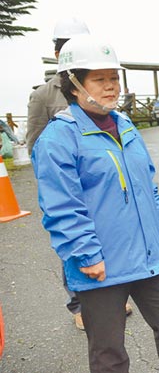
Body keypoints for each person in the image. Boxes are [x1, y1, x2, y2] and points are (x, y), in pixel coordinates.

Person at [32, 35, 159, 373]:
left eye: (114, 78)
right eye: (100, 79)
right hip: (99, 264)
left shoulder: (125, 124)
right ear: (73, 83)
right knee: (109, 352)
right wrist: (86, 254)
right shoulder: (58, 139)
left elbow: (144, 179)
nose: (111, 86)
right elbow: (61, 206)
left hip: (148, 256)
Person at [26, 17, 132, 330]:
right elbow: (35, 145)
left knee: (109, 241)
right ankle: (78, 304)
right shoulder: (43, 96)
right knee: (74, 244)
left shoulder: (99, 86)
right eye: (64, 46)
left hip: (106, 185)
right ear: (57, 53)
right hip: (71, 186)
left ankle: (113, 294)